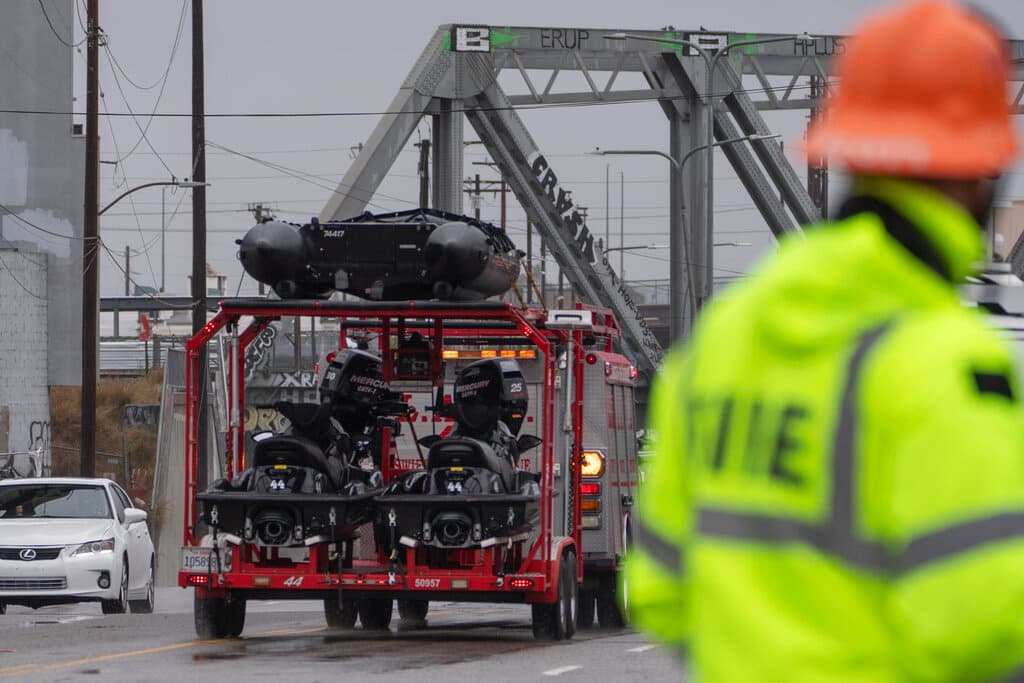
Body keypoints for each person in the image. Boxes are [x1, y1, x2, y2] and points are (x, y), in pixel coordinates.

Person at [626, 2, 1024, 681]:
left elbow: (659, 590)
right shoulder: (945, 359)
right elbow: (983, 622)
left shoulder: (728, 331)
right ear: (980, 170)